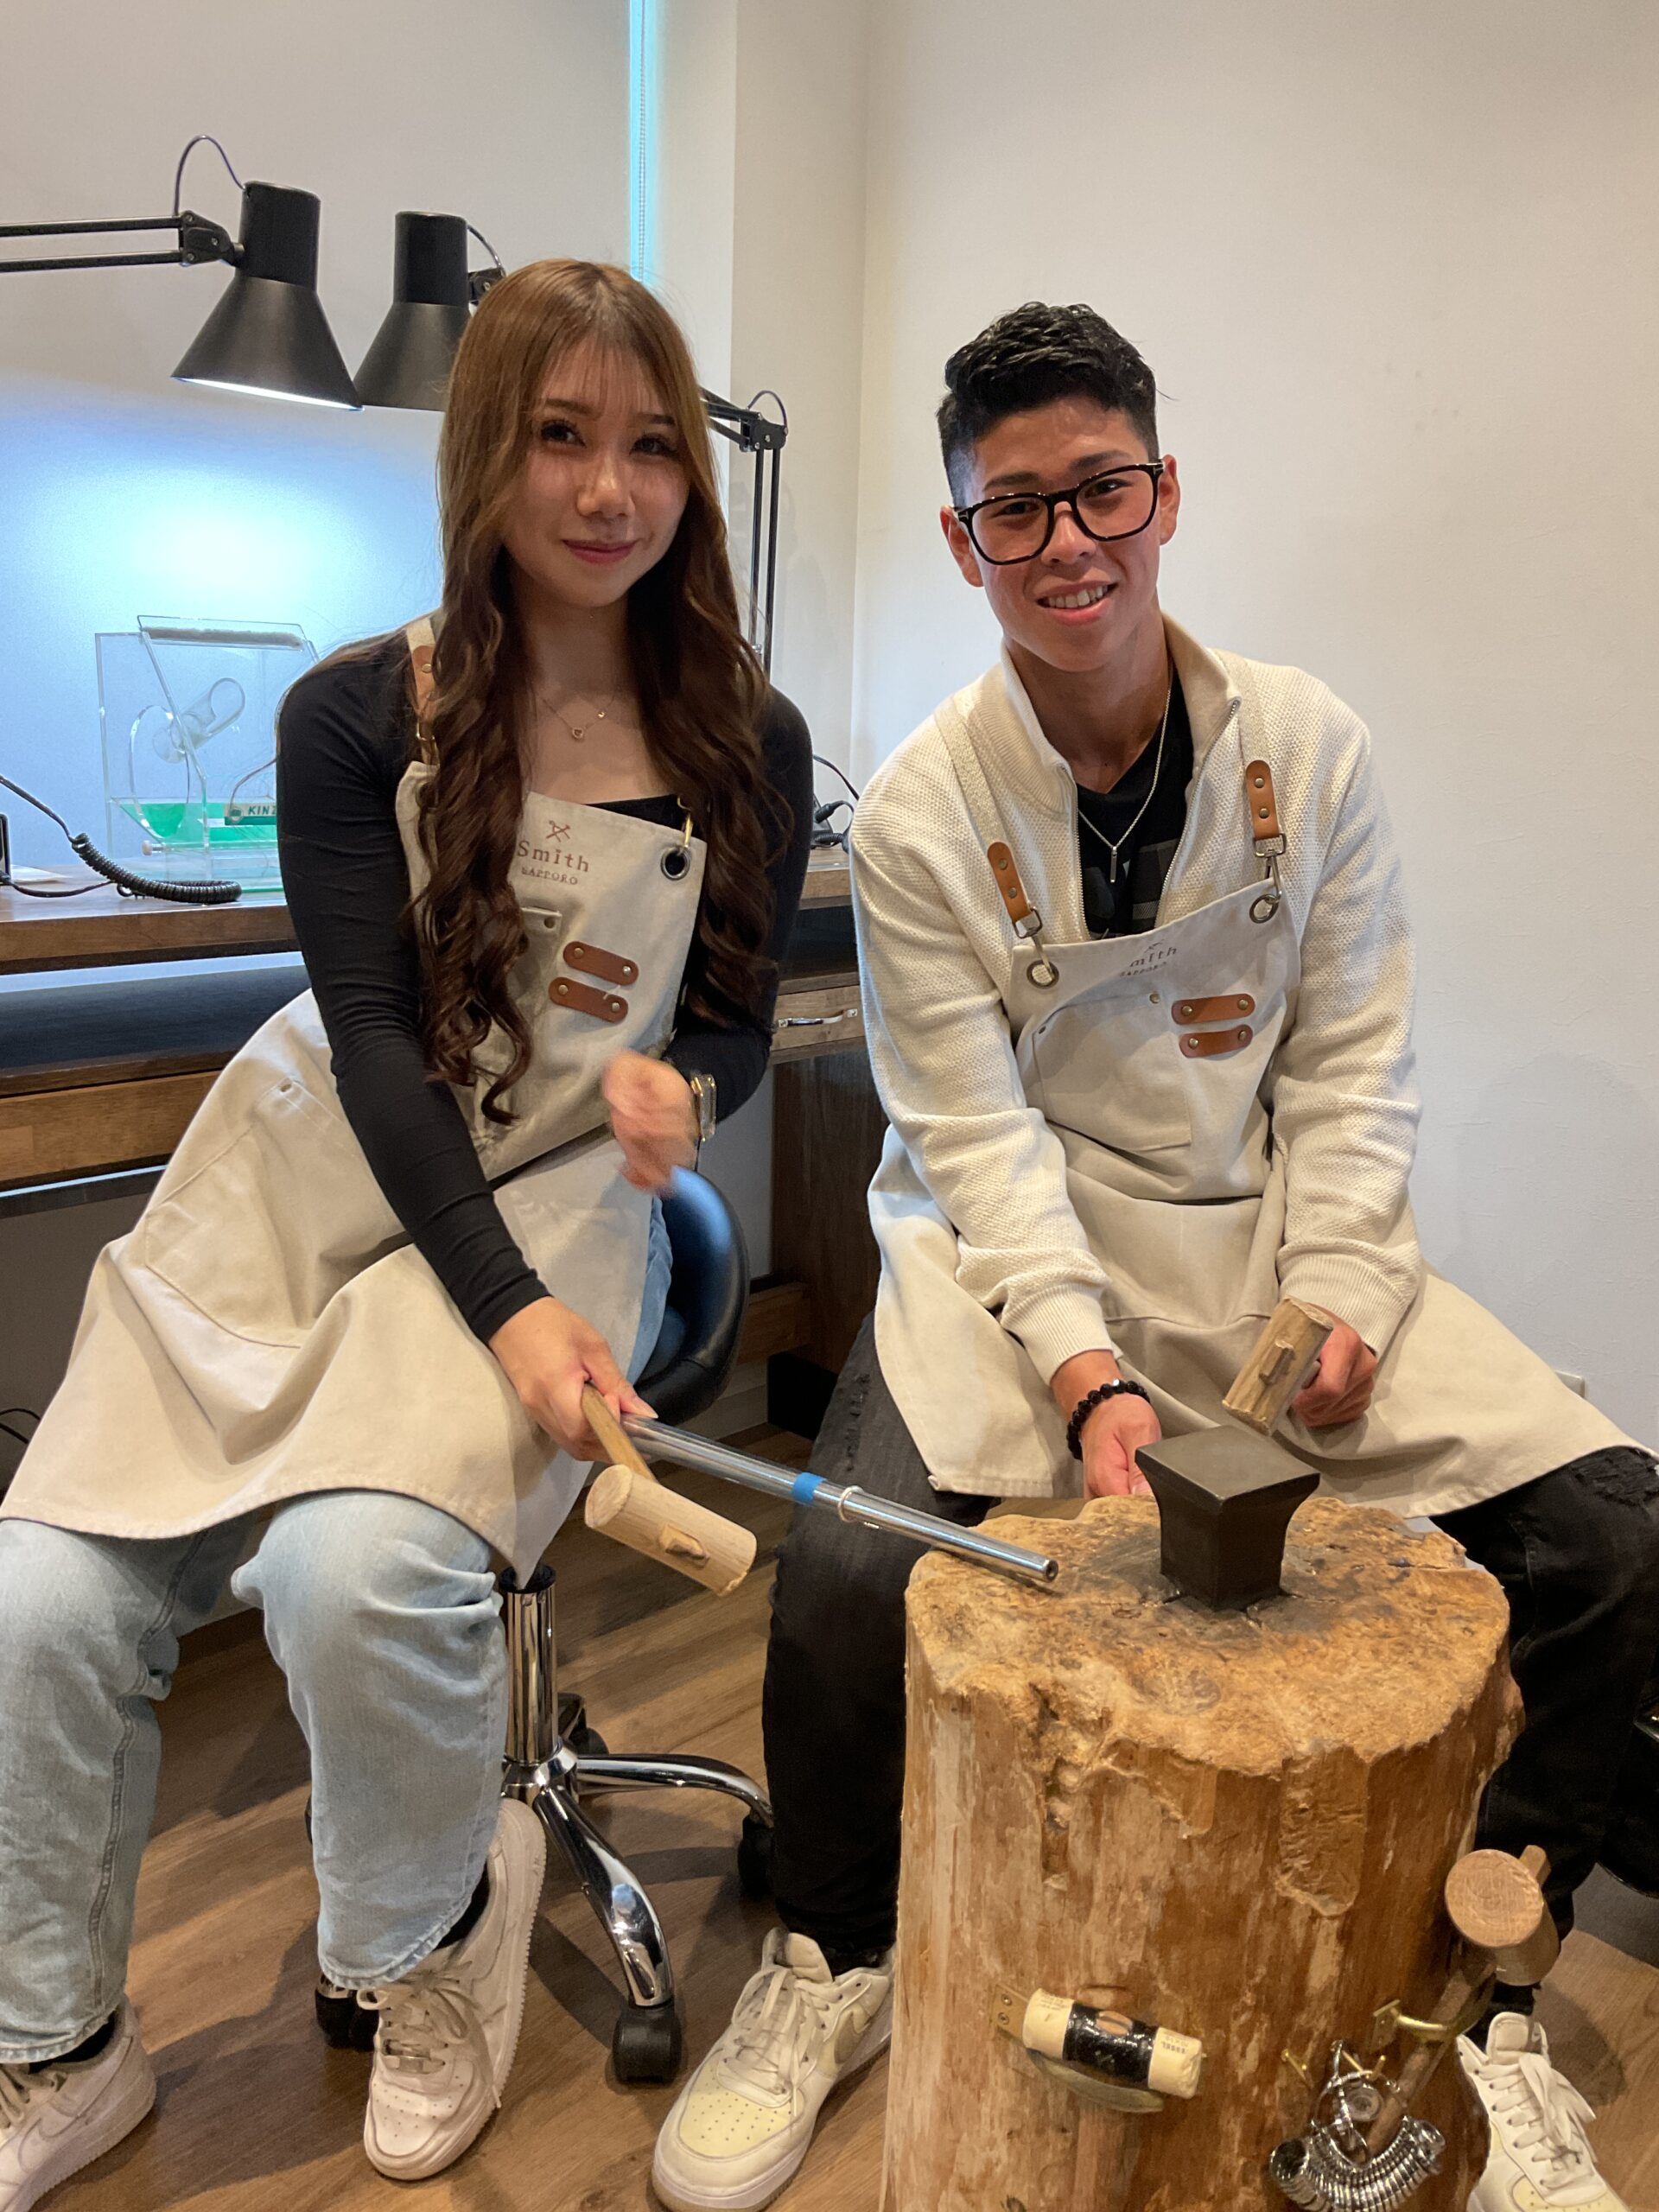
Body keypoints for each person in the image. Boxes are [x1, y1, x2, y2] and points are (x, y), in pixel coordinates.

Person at [653, 302, 1659, 2212]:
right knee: (849, 1571)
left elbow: (1351, 1065)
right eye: (1015, 508)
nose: (1067, 541)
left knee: (1618, 1536)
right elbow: (973, 1136)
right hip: (1008, 1260)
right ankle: (835, 1952)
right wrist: (1083, 1364)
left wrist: (1347, 1282)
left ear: (1166, 493)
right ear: (962, 539)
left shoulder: (1310, 747)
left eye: (1102, 488)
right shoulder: (928, 810)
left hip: (1269, 1245)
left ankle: (1490, 1996)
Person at [0, 257, 812, 2206]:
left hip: (564, 1186)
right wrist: (505, 1312)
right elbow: (374, 1036)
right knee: (36, 1602)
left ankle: (430, 1938)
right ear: (483, 455)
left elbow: (728, 1022)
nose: (608, 489)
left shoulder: (746, 734)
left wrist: (687, 1087)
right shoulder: (355, 712)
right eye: (560, 436)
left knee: (357, 1572)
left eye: (651, 446)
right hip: (326, 1165)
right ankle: (56, 2044)